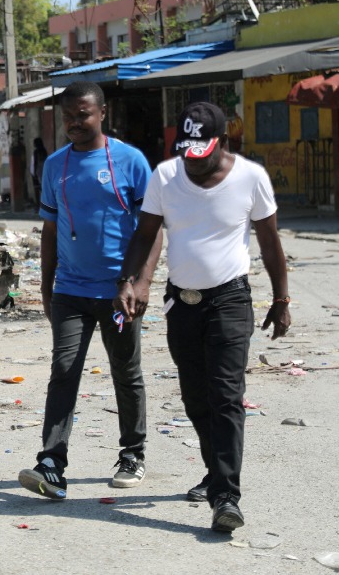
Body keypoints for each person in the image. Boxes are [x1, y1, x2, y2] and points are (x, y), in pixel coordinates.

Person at [113, 101, 290, 533]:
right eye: (186, 152)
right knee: (196, 398)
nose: (192, 163)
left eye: (202, 153)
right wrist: (132, 281)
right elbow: (145, 234)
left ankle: (226, 496)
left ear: (224, 142)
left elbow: (269, 244)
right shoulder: (166, 176)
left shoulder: (251, 178)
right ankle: (216, 472)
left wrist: (281, 300)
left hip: (230, 300)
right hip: (182, 304)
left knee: (226, 396)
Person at [18, 80, 162, 501]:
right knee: (64, 371)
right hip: (71, 292)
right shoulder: (55, 166)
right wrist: (46, 285)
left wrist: (141, 283)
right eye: (67, 117)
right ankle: (52, 463)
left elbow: (152, 231)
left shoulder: (130, 161)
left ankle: (132, 454)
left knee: (125, 372)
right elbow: (49, 229)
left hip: (119, 294)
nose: (74, 123)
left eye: (82, 114)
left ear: (102, 114)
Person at [31, 137, 48, 211]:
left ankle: (37, 206)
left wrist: (34, 173)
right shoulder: (44, 151)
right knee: (43, 190)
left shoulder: (36, 152)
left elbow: (35, 163)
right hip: (43, 172)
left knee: (36, 189)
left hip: (37, 172)